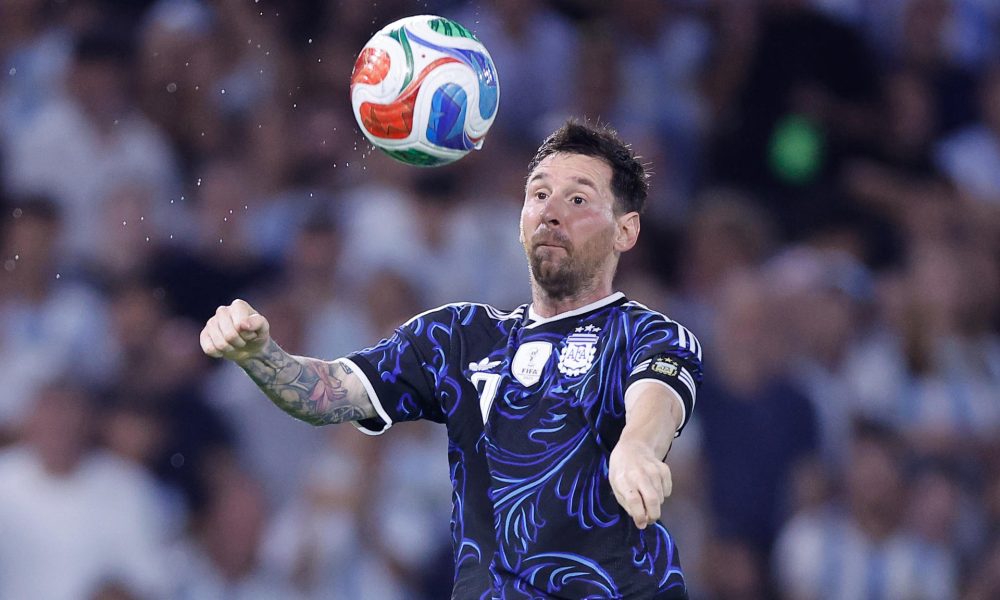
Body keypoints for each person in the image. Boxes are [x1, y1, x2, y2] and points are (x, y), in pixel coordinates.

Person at [200, 121, 704, 599]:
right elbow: (326, 394)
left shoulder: (646, 333)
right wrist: (261, 356)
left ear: (625, 231)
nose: (551, 211)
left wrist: (636, 449)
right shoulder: (457, 338)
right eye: (539, 193)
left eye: (577, 198)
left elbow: (655, 399)